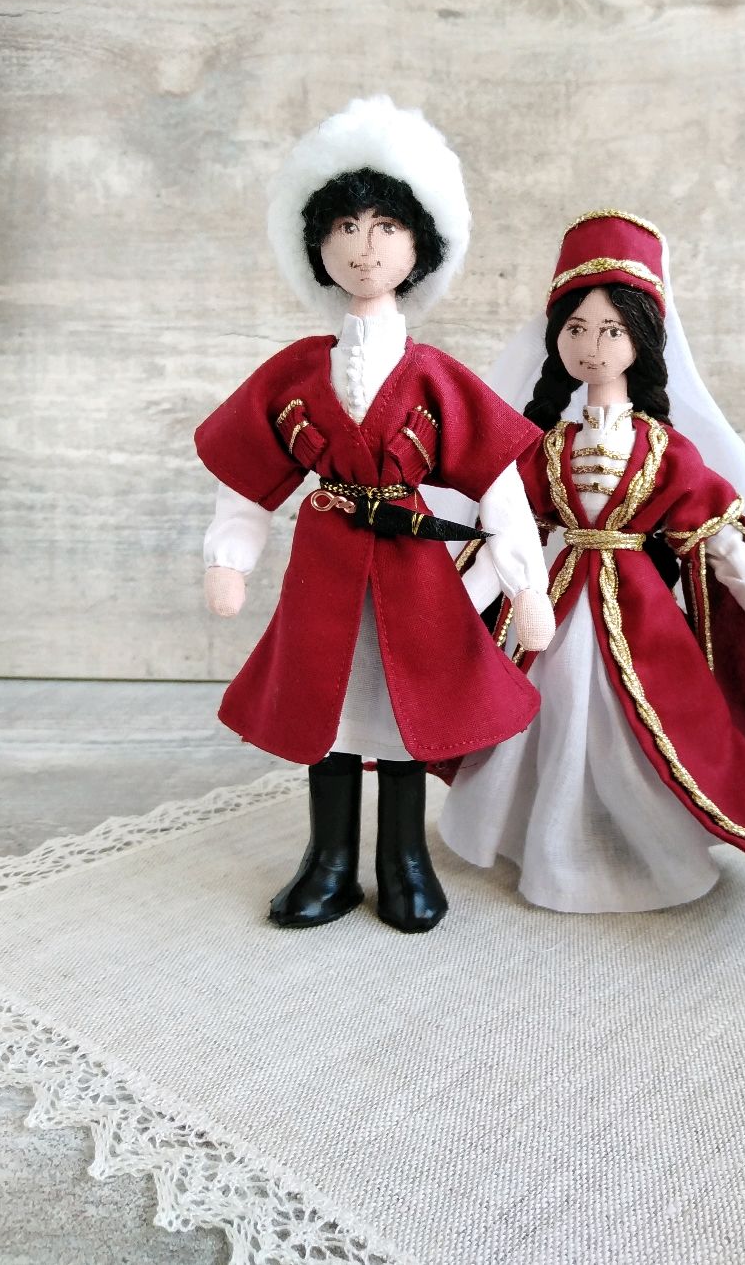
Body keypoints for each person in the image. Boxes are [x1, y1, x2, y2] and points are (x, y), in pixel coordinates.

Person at [194, 96, 554, 933]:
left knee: (404, 714)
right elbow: (249, 476)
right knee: (323, 712)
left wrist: (525, 582)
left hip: (410, 570)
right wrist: (229, 556)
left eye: (386, 226)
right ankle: (327, 862)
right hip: (323, 569)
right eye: (346, 226)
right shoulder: (296, 373)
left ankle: (403, 861)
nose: (365, 245)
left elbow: (498, 485)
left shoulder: (435, 377)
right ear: (318, 246)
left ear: (418, 247)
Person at [439, 210, 745, 913]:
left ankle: (637, 832)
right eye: (575, 329)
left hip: (638, 606)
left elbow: (716, 536)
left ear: (642, 340)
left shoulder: (665, 449)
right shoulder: (545, 446)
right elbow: (509, 534)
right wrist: (459, 598)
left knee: (646, 719)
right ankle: (543, 835)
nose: (591, 346)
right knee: (551, 714)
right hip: (557, 600)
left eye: (611, 330)